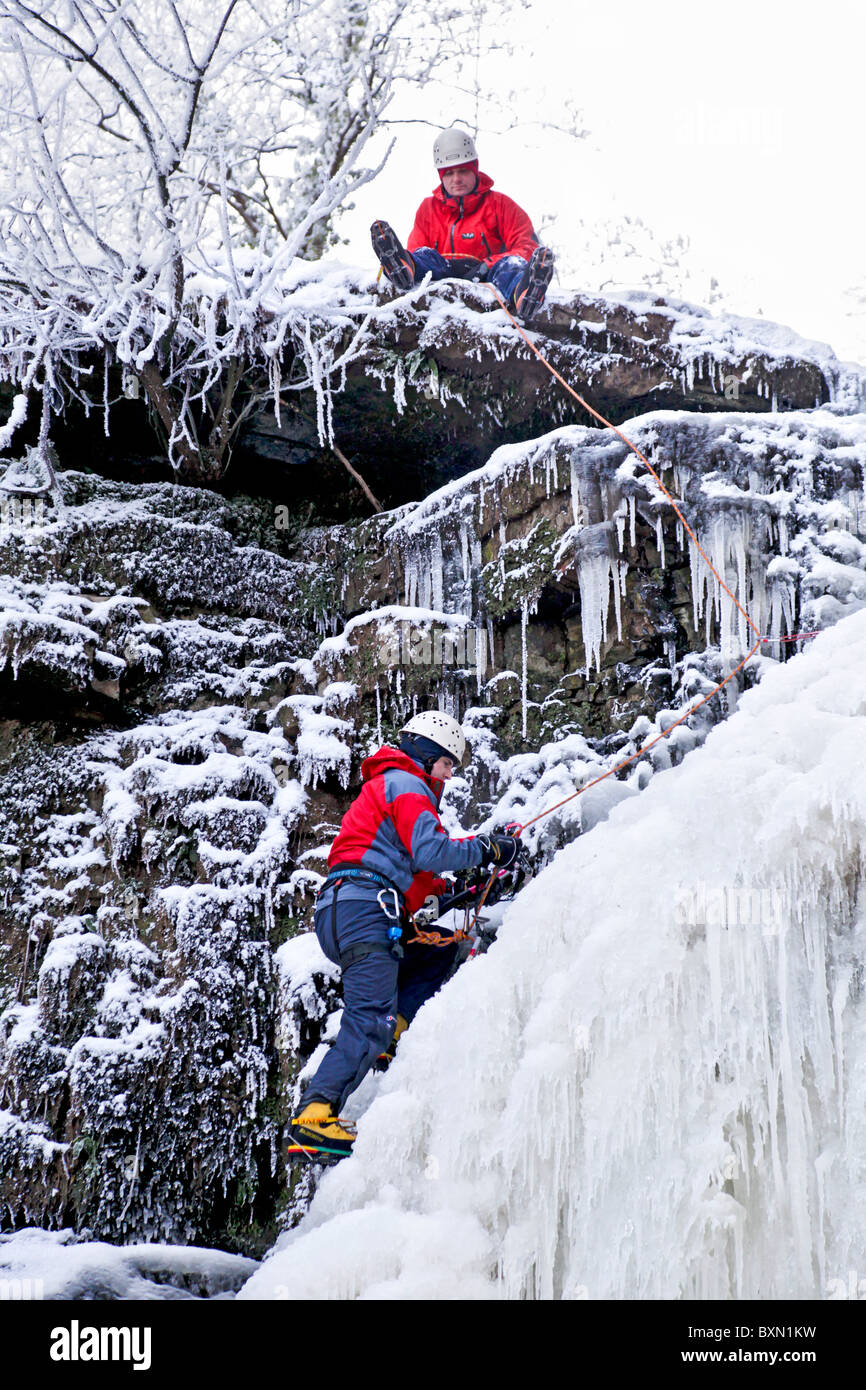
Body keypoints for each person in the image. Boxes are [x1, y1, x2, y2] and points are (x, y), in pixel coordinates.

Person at [287, 711, 520, 1164]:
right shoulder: (406, 784)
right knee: (368, 1018)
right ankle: (313, 1116)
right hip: (366, 907)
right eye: (448, 764)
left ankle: (393, 1035)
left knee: (442, 946)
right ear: (428, 756)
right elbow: (432, 851)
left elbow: (420, 887)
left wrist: (461, 891)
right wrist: (488, 848)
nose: (450, 775)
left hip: (349, 908)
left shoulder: (385, 793)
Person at [371, 127, 555, 321]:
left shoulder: (500, 205)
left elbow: (526, 245)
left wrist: (487, 264)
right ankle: (401, 268)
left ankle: (525, 293)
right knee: (425, 255)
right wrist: (415, 259)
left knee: (511, 265)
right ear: (441, 176)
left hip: (490, 273)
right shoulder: (428, 209)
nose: (456, 179)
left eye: (463, 171)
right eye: (449, 173)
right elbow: (417, 246)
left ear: (475, 169)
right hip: (444, 269)